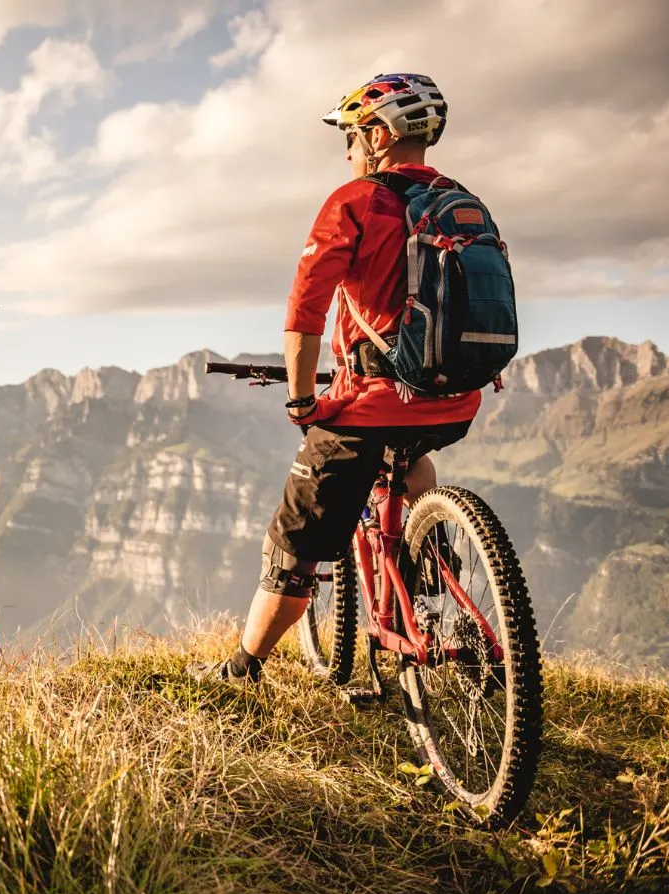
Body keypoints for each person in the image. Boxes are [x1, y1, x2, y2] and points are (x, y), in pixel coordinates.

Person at [191, 73, 479, 683]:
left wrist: (301, 401)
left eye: (350, 138)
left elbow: (305, 313)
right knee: (409, 456)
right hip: (453, 401)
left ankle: (242, 668)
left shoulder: (356, 201)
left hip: (372, 404)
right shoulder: (461, 202)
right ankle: (430, 552)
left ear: (378, 136)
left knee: (293, 542)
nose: (348, 152)